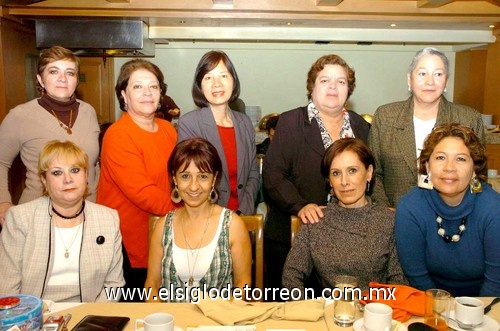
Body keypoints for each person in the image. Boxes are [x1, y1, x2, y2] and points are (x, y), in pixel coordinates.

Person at [262, 54, 370, 290]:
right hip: (292, 236)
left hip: (345, 241)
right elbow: (273, 175)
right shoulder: (291, 121)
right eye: (325, 80)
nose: (333, 87)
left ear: (348, 90)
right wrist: (300, 205)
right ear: (312, 86)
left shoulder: (361, 127)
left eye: (341, 82)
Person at [0, 140, 124, 302]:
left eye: (75, 170)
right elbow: (7, 289)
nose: (68, 179)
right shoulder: (20, 219)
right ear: (44, 180)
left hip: (90, 317)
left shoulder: (108, 218)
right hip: (33, 316)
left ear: (86, 175)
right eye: (57, 173)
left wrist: (92, 318)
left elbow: (114, 285)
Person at [97, 59, 178, 301]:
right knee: (136, 313)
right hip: (129, 243)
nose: (147, 93)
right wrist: (190, 210)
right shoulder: (118, 135)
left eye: (153, 87)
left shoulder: (168, 130)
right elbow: (144, 194)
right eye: (137, 87)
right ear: (123, 94)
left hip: (165, 236)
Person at [282, 138, 406, 294]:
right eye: (336, 173)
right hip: (326, 312)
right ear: (330, 181)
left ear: (368, 173)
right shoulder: (317, 219)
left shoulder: (389, 221)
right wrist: (309, 310)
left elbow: (398, 282)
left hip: (375, 312)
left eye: (352, 170)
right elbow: (290, 277)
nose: (344, 181)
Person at [368, 47, 485, 209]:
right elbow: (373, 173)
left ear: (446, 82)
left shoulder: (469, 118)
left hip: (452, 217)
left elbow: (477, 175)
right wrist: (387, 212)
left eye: (438, 74)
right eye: (422, 73)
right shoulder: (386, 116)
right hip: (394, 216)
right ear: (410, 79)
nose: (430, 81)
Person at [395, 123, 500, 296]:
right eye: (440, 158)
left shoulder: (494, 209)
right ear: (427, 167)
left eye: (461, 159)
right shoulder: (410, 208)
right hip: (428, 301)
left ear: (474, 169)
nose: (449, 167)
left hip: (486, 302)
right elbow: (416, 276)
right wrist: (441, 310)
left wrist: (473, 314)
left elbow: (496, 281)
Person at [0, 46, 100, 227]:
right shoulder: (20, 116)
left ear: (76, 80)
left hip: (87, 214)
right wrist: (3, 202)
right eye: (54, 72)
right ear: (40, 79)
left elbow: (93, 165)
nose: (63, 79)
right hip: (37, 217)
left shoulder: (89, 112)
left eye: (70, 73)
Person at [145, 138, 252, 302]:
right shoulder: (163, 226)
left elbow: (243, 285)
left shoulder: (232, 225)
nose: (193, 186)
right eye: (185, 176)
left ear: (214, 179)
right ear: (175, 179)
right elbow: (151, 285)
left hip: (216, 321)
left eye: (202, 176)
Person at [177, 50, 260, 215]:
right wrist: (217, 218)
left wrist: (244, 212)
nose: (217, 84)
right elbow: (190, 179)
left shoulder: (245, 123)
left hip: (242, 215)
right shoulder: (190, 124)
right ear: (200, 85)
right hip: (205, 217)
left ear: (233, 81)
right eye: (208, 77)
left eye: (223, 76)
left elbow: (253, 173)